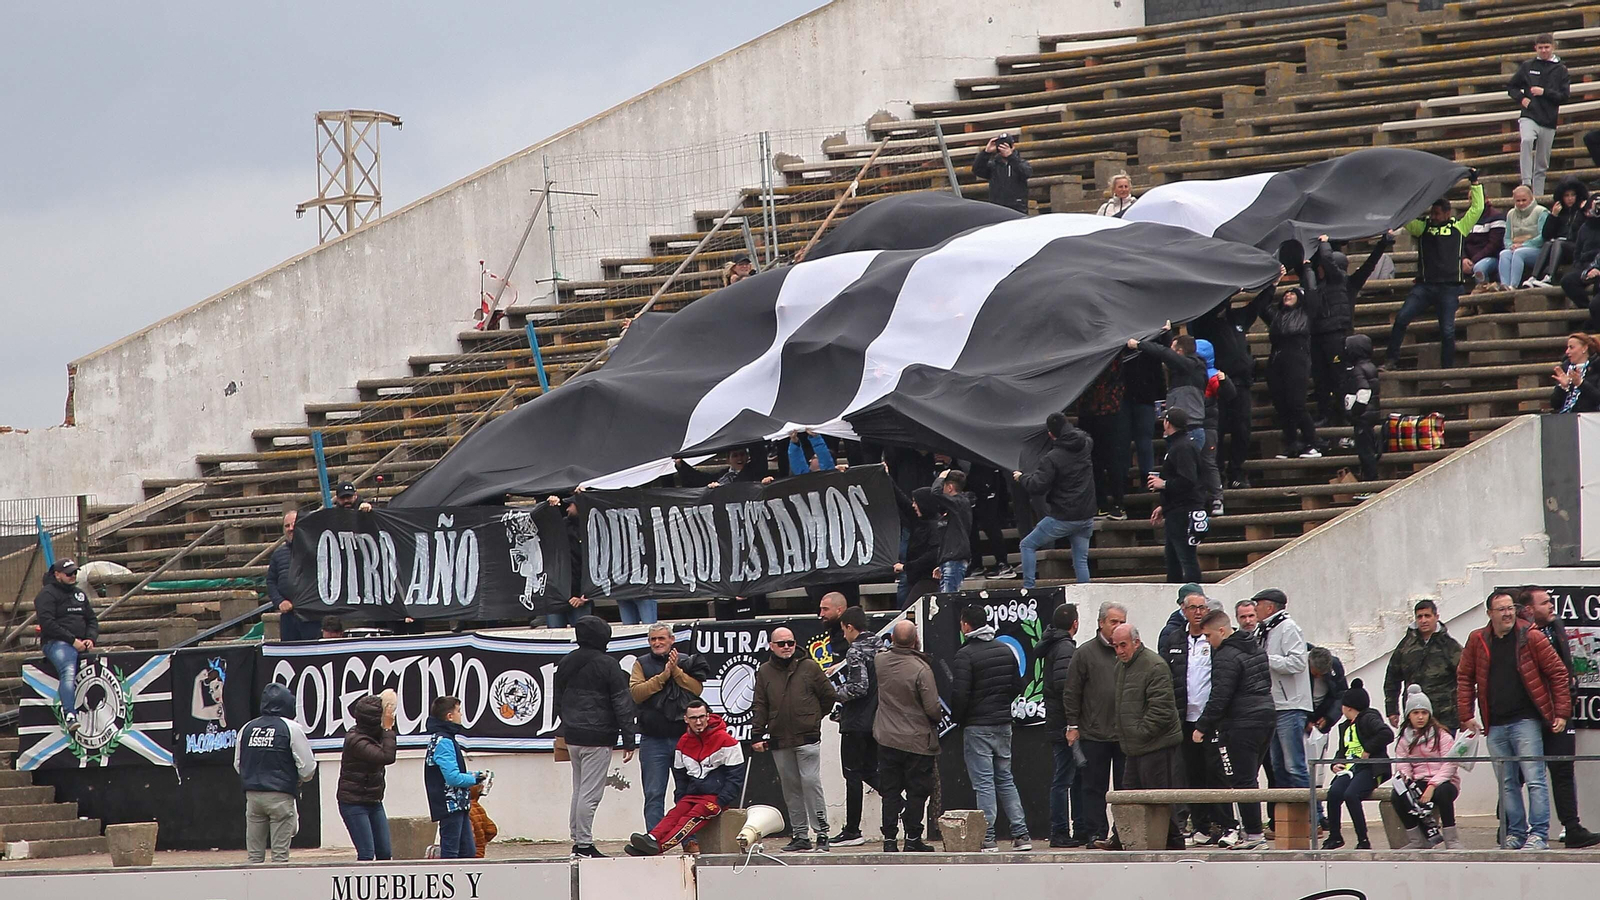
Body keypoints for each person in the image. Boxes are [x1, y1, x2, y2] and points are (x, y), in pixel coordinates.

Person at [1456, 590, 1571, 851]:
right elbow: (1464, 677)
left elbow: (1558, 673)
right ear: (1490, 614)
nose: (1508, 613)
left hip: (1526, 720)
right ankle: (1515, 834)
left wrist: (1561, 712)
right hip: (1494, 724)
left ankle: (1539, 835)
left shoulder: (1531, 636)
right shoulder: (1477, 640)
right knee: (1507, 783)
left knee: (1534, 779)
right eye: (1501, 609)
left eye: (1510, 608)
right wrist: (1465, 715)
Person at [1520, 586, 1600, 847]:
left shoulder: (1556, 627)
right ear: (1530, 609)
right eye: (1545, 603)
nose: (1551, 606)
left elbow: (1565, 669)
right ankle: (1510, 825)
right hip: (1530, 714)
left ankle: (1572, 827)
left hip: (1560, 712)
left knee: (1563, 768)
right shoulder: (1519, 635)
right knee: (1521, 771)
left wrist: (1568, 700)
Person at [1192, 610, 1275, 850]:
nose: (1207, 641)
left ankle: (1253, 835)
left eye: (1208, 635)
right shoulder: (1255, 646)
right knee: (1250, 777)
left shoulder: (1225, 655)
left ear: (1221, 630)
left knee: (1243, 780)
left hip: (1243, 722)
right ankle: (1252, 833)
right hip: (1266, 716)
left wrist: (1202, 727)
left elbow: (1220, 695)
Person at [556, 616, 638, 858]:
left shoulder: (566, 662)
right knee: (590, 793)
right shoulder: (608, 664)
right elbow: (622, 703)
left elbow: (559, 700)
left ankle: (577, 840)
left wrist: (567, 726)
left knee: (579, 790)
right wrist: (629, 739)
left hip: (572, 735)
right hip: (598, 736)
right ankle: (583, 844)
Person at [1385, 173, 1485, 371]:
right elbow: (1405, 217)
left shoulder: (1459, 226)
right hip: (1425, 286)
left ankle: (1447, 370)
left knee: (1447, 331)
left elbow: (1477, 208)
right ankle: (1391, 361)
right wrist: (1408, 194)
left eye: (1437, 213)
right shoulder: (1422, 227)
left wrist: (1475, 183)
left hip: (1450, 288)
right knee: (1401, 318)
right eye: (1432, 213)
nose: (1433, 216)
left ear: (1447, 213)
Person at [751, 626, 838, 852]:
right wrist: (757, 733)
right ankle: (800, 835)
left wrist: (813, 718)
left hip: (807, 737)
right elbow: (760, 703)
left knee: (811, 783)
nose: (787, 647)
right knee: (791, 788)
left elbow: (829, 695)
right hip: (780, 739)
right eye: (782, 643)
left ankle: (822, 834)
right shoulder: (764, 671)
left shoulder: (809, 666)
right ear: (771, 646)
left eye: (790, 642)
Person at [951, 604, 1030, 851]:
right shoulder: (1005, 650)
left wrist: (959, 718)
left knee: (984, 783)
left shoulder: (965, 655)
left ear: (966, 625)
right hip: (1003, 724)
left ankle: (987, 837)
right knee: (1005, 779)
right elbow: (1019, 685)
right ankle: (1021, 835)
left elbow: (960, 695)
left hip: (977, 726)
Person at [627, 700, 747, 856]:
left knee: (690, 818)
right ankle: (651, 838)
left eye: (702, 717)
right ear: (685, 719)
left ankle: (658, 848)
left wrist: (722, 800)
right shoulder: (683, 742)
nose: (698, 722)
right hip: (693, 794)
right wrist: (681, 796)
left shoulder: (727, 741)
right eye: (693, 718)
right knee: (675, 813)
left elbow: (736, 778)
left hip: (714, 798)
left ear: (708, 716)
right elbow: (681, 777)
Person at [1105, 623, 1185, 851]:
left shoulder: (1154, 666)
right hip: (1134, 746)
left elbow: (1161, 710)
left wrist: (1139, 732)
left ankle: (1173, 841)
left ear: (1136, 643)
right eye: (1115, 646)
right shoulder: (1121, 668)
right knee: (1129, 795)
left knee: (1158, 798)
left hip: (1156, 745)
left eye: (1123, 645)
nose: (1119, 650)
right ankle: (1121, 837)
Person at [1160, 587, 1226, 845]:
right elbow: (1166, 678)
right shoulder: (1174, 639)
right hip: (1183, 719)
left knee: (1217, 773)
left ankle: (1222, 824)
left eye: (1202, 608)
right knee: (1191, 774)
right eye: (1192, 608)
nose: (1198, 613)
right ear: (1183, 611)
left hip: (1211, 720)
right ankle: (1199, 825)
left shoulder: (1216, 640)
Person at [630, 623, 709, 832]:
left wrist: (676, 672)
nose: (657, 643)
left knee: (686, 793)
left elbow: (696, 690)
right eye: (653, 639)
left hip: (684, 740)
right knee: (654, 793)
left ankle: (687, 838)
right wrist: (664, 676)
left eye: (661, 639)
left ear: (671, 640)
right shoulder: (642, 663)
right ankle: (654, 839)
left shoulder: (686, 661)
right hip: (652, 740)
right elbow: (637, 693)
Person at [1191, 286, 1270, 489]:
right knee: (1219, 429)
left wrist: (1274, 284)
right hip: (1218, 385)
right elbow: (1208, 311)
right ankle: (1215, 476)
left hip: (1241, 383)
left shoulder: (1238, 318)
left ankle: (1236, 472)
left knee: (1242, 429)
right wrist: (1230, 290)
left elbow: (1257, 305)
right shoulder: (1204, 322)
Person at [1063, 601, 1128, 846]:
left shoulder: (1131, 652)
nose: (1118, 626)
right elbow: (1072, 691)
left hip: (1125, 734)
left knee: (1125, 789)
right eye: (1114, 622)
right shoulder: (1085, 653)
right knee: (1093, 788)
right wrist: (1073, 725)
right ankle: (1095, 833)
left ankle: (1122, 833)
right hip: (1093, 733)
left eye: (1122, 622)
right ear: (1101, 623)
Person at [1312, 235, 1392, 428]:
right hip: (1320, 336)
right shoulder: (1319, 287)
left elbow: (1370, 264)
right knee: (1321, 377)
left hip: (1340, 337)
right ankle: (1326, 414)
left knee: (1340, 379)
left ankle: (1341, 416)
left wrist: (1383, 243)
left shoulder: (1345, 282)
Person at [874, 620, 940, 852]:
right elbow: (932, 707)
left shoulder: (880, 661)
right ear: (915, 640)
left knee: (890, 792)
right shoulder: (921, 669)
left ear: (892, 639)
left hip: (887, 738)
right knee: (917, 791)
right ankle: (913, 839)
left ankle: (889, 840)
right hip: (917, 741)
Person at [235, 683, 316, 864]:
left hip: (253, 796)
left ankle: (252, 890)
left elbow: (238, 763)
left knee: (254, 857)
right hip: (281, 794)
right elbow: (308, 767)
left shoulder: (247, 728)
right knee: (280, 857)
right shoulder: (292, 728)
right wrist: (299, 780)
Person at [1012, 412, 1096, 586]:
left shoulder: (1052, 457)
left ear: (1050, 434)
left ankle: (1029, 588)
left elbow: (1037, 485)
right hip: (1086, 515)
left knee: (1027, 545)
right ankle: (1085, 590)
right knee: (1080, 560)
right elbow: (1085, 436)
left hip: (1063, 516)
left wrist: (1022, 477)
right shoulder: (1085, 445)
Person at [1252, 589, 1313, 806]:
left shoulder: (1288, 628)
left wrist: (1266, 659)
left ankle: (1314, 817)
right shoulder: (1263, 630)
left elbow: (1297, 662)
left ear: (1269, 607)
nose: (1254, 609)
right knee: (1277, 767)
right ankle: (1290, 820)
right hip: (1273, 705)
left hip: (1290, 705)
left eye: (1257, 605)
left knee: (1294, 766)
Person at [1251, 273, 1322, 458]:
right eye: (1285, 294)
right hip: (1276, 361)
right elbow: (1261, 306)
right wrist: (1273, 283)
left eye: (1292, 294)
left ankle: (1312, 443)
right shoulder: (1276, 316)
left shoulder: (1306, 312)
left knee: (1296, 404)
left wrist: (1306, 268)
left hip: (1297, 359)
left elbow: (1312, 291)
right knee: (1282, 406)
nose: (1288, 296)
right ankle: (1292, 444)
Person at [1321, 679, 1393, 850]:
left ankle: (1363, 839)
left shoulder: (1368, 718)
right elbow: (1342, 751)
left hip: (1370, 768)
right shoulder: (1345, 727)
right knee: (1334, 793)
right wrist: (1336, 764)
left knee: (1351, 794)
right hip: (1350, 769)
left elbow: (1386, 734)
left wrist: (1368, 749)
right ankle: (1335, 836)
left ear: (1348, 708)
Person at [833, 606, 884, 846]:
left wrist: (831, 692)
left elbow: (858, 687)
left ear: (850, 627)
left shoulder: (855, 651)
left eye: (844, 630)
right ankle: (899, 803)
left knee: (852, 775)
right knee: (870, 770)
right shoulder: (881, 646)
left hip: (855, 722)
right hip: (877, 719)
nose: (843, 635)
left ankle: (852, 829)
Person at [1390, 686, 1463, 850]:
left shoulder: (1442, 735)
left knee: (1443, 793)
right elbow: (1402, 762)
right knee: (1398, 796)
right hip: (1418, 781)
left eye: (1424, 712)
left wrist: (1433, 785)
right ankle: (1417, 840)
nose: (1420, 717)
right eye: (1416, 713)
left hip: (1444, 781)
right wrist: (1406, 779)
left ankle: (1452, 840)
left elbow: (1450, 763)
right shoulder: (1404, 738)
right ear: (1409, 715)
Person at [34, 559, 95, 735]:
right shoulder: (46, 595)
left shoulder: (79, 594)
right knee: (68, 670)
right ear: (57, 574)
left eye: (75, 573)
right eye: (69, 573)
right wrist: (72, 640)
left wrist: (90, 638)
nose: (73, 576)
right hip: (56, 643)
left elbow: (91, 620)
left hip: (81, 643)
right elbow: (47, 623)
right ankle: (70, 714)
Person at [1383, 599, 1463, 733]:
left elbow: (1465, 679)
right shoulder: (1405, 646)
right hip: (1415, 718)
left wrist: (1465, 715)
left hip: (1445, 717)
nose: (1423, 620)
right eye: (1419, 617)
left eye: (1427, 616)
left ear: (1436, 617)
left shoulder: (1450, 646)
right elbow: (1392, 678)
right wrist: (1392, 710)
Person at [1039, 603, 1082, 847]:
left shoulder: (1054, 645)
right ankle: (1060, 831)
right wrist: (1072, 724)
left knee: (1068, 777)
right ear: (1074, 624)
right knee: (1064, 779)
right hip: (1064, 725)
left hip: (1057, 722)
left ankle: (1071, 828)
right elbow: (1065, 687)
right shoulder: (1065, 647)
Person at [424, 696, 489, 859]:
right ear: (449, 716)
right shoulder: (443, 741)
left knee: (468, 852)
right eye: (458, 711)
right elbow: (452, 778)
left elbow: (454, 772)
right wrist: (475, 780)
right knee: (451, 852)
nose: (461, 715)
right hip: (449, 805)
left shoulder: (447, 739)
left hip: (458, 804)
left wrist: (475, 775)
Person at [1508, 34, 1570, 197]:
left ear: (1553, 47)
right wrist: (1522, 99)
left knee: (1542, 161)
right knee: (1527, 139)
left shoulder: (1561, 69)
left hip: (1549, 119)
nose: (1544, 50)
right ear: (1535, 48)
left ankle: (1538, 195)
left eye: (1547, 47)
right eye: (1541, 47)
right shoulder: (1528, 66)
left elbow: (1564, 96)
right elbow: (1512, 87)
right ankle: (1526, 181)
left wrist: (1544, 92)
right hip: (1530, 115)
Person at [338, 692, 398, 861]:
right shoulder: (356, 740)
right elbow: (387, 757)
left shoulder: (375, 735)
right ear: (374, 719)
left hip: (373, 801)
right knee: (366, 853)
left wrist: (388, 721)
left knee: (385, 853)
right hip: (353, 802)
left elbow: (389, 743)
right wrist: (387, 728)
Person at [1149, 408, 1206, 583]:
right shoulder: (1179, 445)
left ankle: (1194, 598)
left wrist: (1163, 484)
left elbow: (1188, 481)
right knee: (1173, 561)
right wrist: (1164, 507)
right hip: (1176, 510)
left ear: (1167, 422)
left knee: (1186, 559)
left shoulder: (1182, 447)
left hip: (1184, 513)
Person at [1077, 358, 1130, 522]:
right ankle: (1101, 505)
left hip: (1109, 412)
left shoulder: (1112, 355)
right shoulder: (1083, 356)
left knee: (1112, 460)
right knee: (1093, 462)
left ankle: (1118, 505)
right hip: (1088, 412)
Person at [1527, 178, 1589, 287]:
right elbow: (1546, 235)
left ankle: (1550, 276)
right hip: (1559, 249)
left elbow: (1584, 232)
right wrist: (1553, 216)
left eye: (1572, 195)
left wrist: (1583, 212)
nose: (1570, 198)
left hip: (1576, 248)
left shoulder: (1583, 212)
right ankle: (1534, 276)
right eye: (1566, 195)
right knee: (1548, 244)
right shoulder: (1559, 213)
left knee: (1557, 242)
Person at [267, 511, 317, 642]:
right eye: (286, 526)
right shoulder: (278, 554)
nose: (290, 529)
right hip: (289, 617)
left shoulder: (317, 550)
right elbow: (271, 581)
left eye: (294, 524)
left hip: (312, 615)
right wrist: (279, 601)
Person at [1341, 334, 1382, 483]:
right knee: (1368, 446)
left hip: (1363, 416)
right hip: (1370, 414)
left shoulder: (1357, 369)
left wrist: (1354, 412)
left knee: (1365, 452)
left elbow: (1364, 392)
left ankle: (1370, 482)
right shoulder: (1370, 366)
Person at [926, 469, 974, 592]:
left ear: (950, 487)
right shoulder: (953, 509)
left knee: (949, 601)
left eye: (944, 485)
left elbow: (935, 492)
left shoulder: (960, 502)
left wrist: (941, 477)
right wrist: (942, 562)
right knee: (946, 599)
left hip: (955, 559)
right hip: (948, 560)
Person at [1496, 185, 1549, 291]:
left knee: (1519, 253)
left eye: (1524, 200)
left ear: (1531, 198)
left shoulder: (1541, 212)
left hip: (1537, 250)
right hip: (1516, 246)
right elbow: (1507, 237)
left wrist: (1523, 245)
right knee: (1504, 254)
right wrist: (1510, 246)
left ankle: (1513, 285)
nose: (1521, 203)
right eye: (1518, 201)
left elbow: (1543, 237)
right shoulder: (1511, 214)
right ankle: (1505, 285)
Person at [1559, 200, 1600, 329]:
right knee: (1568, 280)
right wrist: (1589, 270)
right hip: (1588, 266)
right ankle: (1588, 312)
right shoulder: (1585, 227)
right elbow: (1577, 252)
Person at [972, 134, 1032, 214]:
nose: (1003, 148)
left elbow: (1026, 173)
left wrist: (1010, 157)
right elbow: (977, 170)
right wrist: (986, 152)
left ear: (1013, 147)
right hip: (998, 208)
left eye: (1006, 145)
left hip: (1017, 209)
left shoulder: (1020, 163)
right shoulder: (993, 166)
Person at [1551, 332, 1600, 413]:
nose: (1567, 351)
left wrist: (1581, 383)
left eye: (1571, 347)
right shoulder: (1566, 369)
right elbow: (1555, 405)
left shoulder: (1596, 368)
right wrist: (1562, 387)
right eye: (1567, 348)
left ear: (1584, 348)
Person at [1307, 645, 1349, 737]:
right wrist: (1305, 721)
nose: (1318, 676)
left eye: (1322, 674)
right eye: (1315, 673)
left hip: (1322, 716)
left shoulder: (1335, 665)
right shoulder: (1301, 665)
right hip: (1302, 716)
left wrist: (1329, 718)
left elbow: (1342, 694)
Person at [1466, 201, 1508, 289]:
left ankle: (1483, 294)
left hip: (1491, 257)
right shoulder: (1464, 218)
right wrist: (1463, 259)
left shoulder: (1496, 217)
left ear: (1485, 199)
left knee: (1479, 269)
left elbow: (1494, 244)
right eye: (1471, 198)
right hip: (1468, 259)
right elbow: (1460, 242)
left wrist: (1474, 260)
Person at [469, 783, 497, 858]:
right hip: (480, 851)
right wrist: (481, 842)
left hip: (468, 853)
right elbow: (492, 830)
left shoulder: (464, 810)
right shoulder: (479, 808)